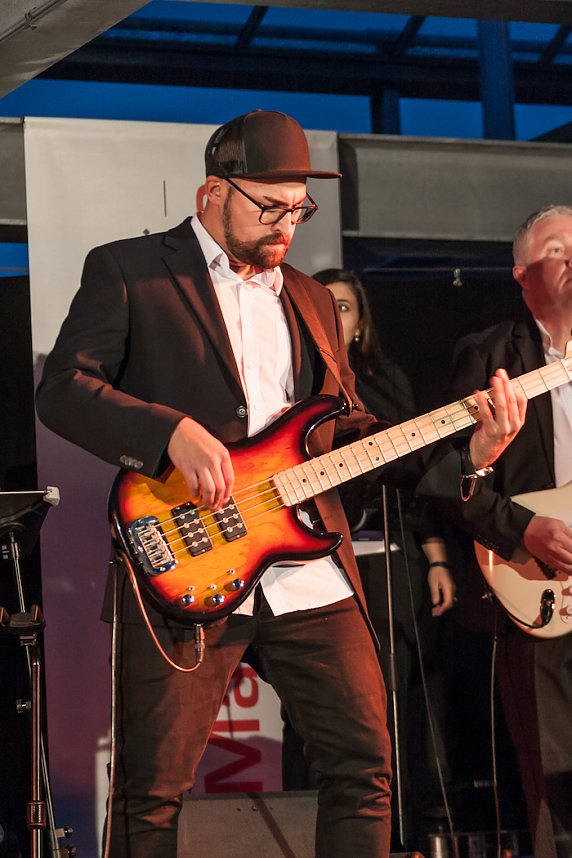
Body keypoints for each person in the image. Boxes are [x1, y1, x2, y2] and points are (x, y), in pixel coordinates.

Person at [35, 109, 526, 858]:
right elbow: (64, 390)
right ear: (212, 192)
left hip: (309, 568)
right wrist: (167, 434)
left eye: (299, 209)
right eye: (269, 206)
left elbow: (349, 434)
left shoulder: (311, 297)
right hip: (189, 560)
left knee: (365, 768)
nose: (285, 226)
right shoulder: (131, 269)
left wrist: (473, 455)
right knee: (151, 792)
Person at [281, 268, 456, 847]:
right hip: (308, 558)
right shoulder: (295, 379)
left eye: (345, 308)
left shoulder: (385, 382)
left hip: (385, 554)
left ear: (359, 325)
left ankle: (396, 836)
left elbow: (415, 474)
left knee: (390, 696)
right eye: (325, 306)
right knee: (314, 704)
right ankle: (304, 828)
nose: (335, 316)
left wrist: (436, 557)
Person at [427, 205, 572, 858]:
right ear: (522, 275)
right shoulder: (490, 355)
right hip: (538, 582)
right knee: (554, 772)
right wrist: (524, 529)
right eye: (557, 250)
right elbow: (446, 478)